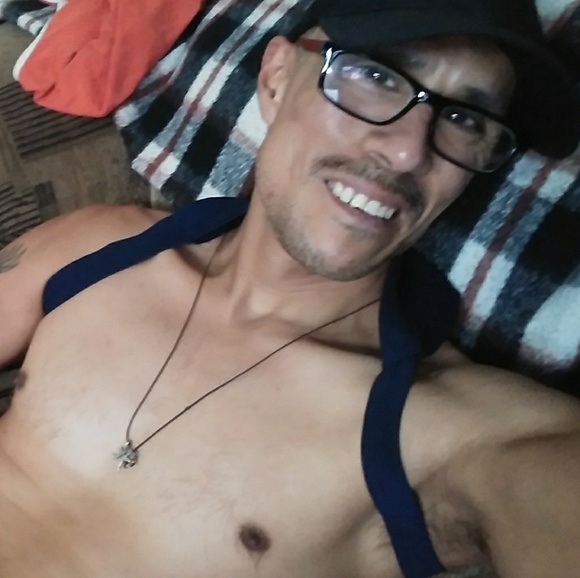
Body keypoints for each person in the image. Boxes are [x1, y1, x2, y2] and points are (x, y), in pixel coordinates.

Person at [0, 0, 579, 576]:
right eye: (376, 77)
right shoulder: (98, 248)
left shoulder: (445, 432)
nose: (407, 151)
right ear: (276, 78)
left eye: (466, 120)